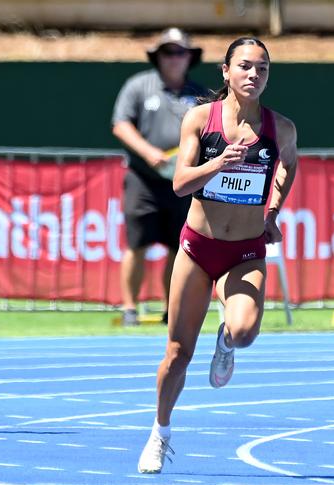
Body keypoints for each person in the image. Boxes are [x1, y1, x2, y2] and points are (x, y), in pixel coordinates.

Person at [136, 37, 298, 474]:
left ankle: (225, 341)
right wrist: (219, 163)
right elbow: (181, 183)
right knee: (176, 353)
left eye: (262, 68)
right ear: (226, 72)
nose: (254, 75)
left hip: (245, 251)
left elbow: (287, 167)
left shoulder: (279, 128)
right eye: (244, 66)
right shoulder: (200, 119)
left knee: (245, 331)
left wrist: (273, 212)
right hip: (197, 248)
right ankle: (159, 432)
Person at [112, 27, 207, 326]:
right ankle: (129, 309)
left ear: (189, 57)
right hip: (143, 178)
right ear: (158, 57)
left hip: (181, 181)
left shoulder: (199, 94)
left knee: (178, 247)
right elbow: (120, 124)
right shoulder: (139, 86)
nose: (174, 58)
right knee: (136, 244)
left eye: (180, 52)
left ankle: (171, 309)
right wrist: (148, 151)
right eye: (168, 52)